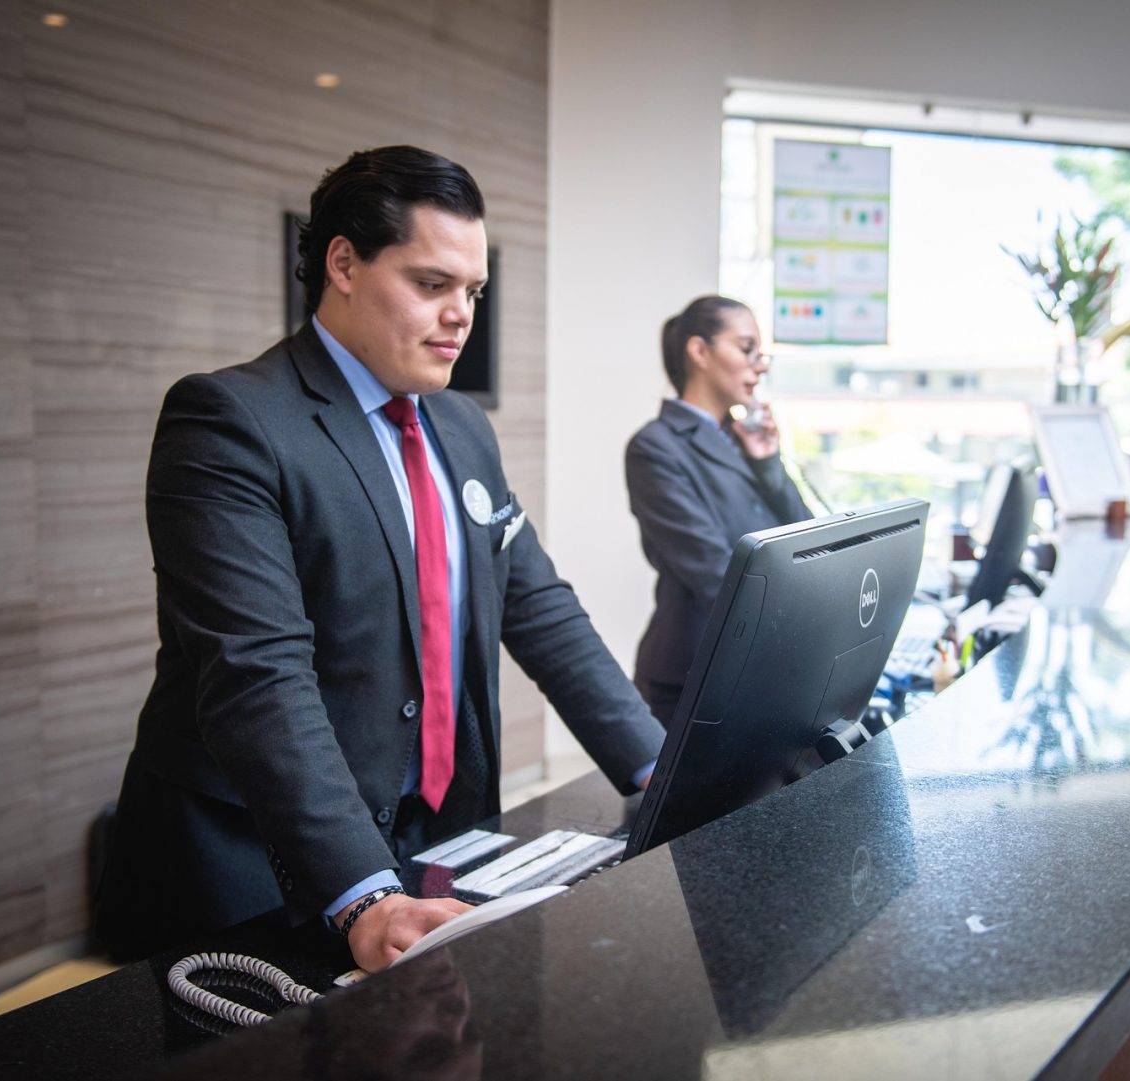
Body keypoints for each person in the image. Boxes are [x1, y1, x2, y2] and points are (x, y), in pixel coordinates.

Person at [95, 146, 663, 969]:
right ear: (344, 264)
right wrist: (362, 890)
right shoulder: (229, 422)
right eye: (431, 284)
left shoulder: (461, 426)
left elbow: (539, 606)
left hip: (428, 837)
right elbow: (257, 673)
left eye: (472, 292)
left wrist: (658, 767)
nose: (460, 315)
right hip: (253, 859)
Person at [624, 296, 813, 727]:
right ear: (699, 351)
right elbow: (714, 571)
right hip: (697, 676)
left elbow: (807, 537)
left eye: (761, 355)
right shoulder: (655, 447)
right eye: (746, 349)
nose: (759, 367)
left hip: (760, 668)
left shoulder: (744, 438)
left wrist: (769, 464)